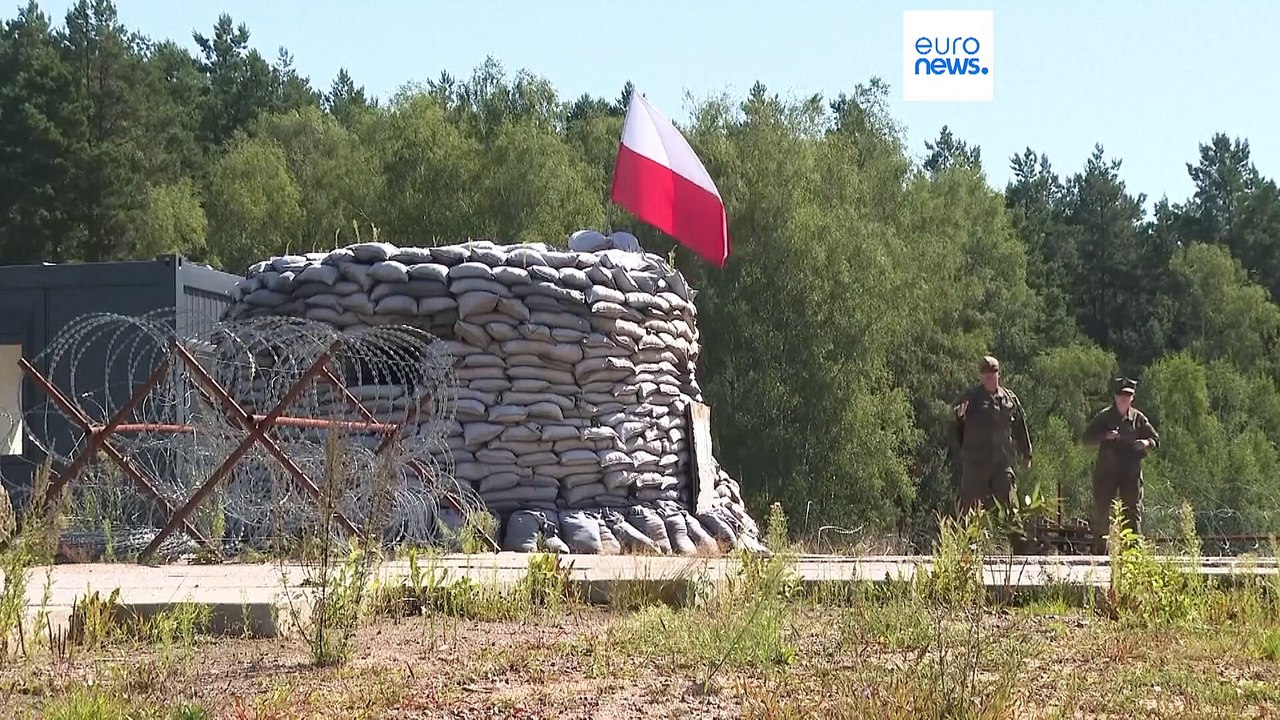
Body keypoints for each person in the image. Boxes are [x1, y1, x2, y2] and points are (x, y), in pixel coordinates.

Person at [1082, 376, 1159, 553]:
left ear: (1132, 398)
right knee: (1102, 511)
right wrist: (1104, 436)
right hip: (1107, 472)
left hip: (1131, 473)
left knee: (1131, 512)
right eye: (1121, 394)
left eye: (1128, 395)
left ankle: (1132, 552)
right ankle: (1101, 552)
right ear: (1115, 397)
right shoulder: (1104, 417)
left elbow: (1155, 438)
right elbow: (1086, 439)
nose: (1124, 398)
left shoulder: (1138, 418)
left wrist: (1146, 443)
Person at [952, 355, 1033, 516]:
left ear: (998, 375)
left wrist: (1027, 453)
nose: (990, 379)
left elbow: (1019, 426)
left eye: (993, 375)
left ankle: (1019, 540)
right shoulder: (972, 398)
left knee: (1011, 509)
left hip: (1002, 465)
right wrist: (960, 416)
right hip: (976, 465)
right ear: (981, 377)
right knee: (967, 512)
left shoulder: (1009, 399)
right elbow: (956, 423)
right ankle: (964, 540)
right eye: (987, 376)